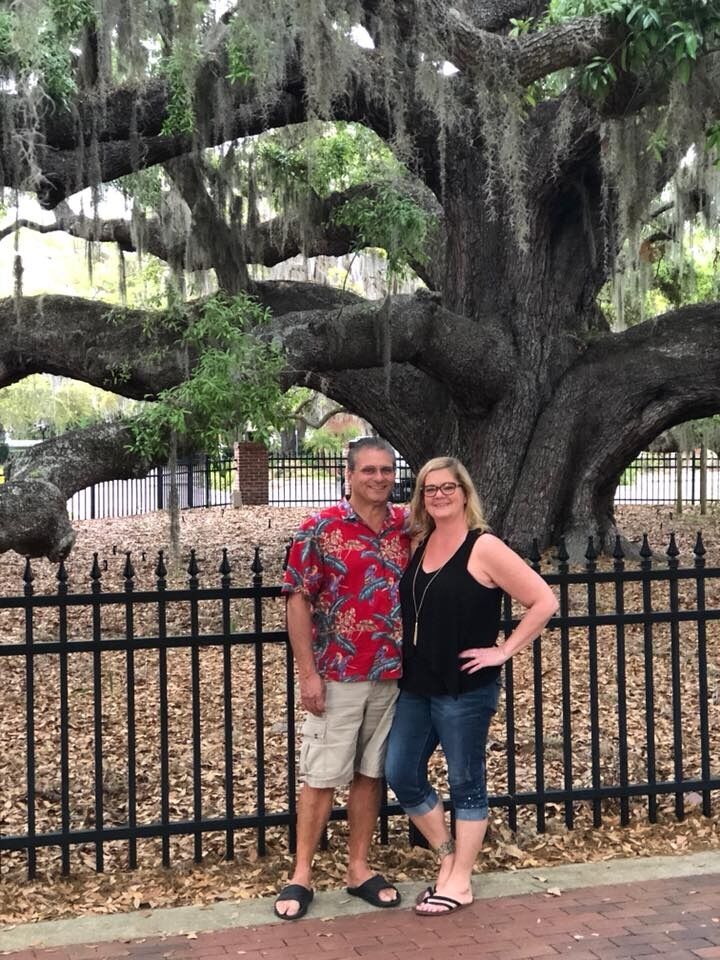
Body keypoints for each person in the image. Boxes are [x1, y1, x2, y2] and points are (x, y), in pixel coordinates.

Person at [385, 456, 558, 917]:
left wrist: (503, 650)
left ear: (465, 492)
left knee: (466, 782)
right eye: (429, 489)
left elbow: (544, 601)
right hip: (418, 685)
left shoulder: (485, 547)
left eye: (447, 487)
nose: (438, 495)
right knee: (400, 771)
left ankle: (460, 880)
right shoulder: (421, 543)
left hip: (465, 688)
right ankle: (447, 856)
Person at [275, 437, 410, 920]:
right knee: (320, 775)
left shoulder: (407, 527)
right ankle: (301, 874)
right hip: (337, 674)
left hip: (393, 673)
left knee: (370, 773)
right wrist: (307, 673)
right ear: (349, 475)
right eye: (368, 470)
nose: (379, 478)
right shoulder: (320, 529)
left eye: (386, 470)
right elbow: (297, 600)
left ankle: (358, 867)